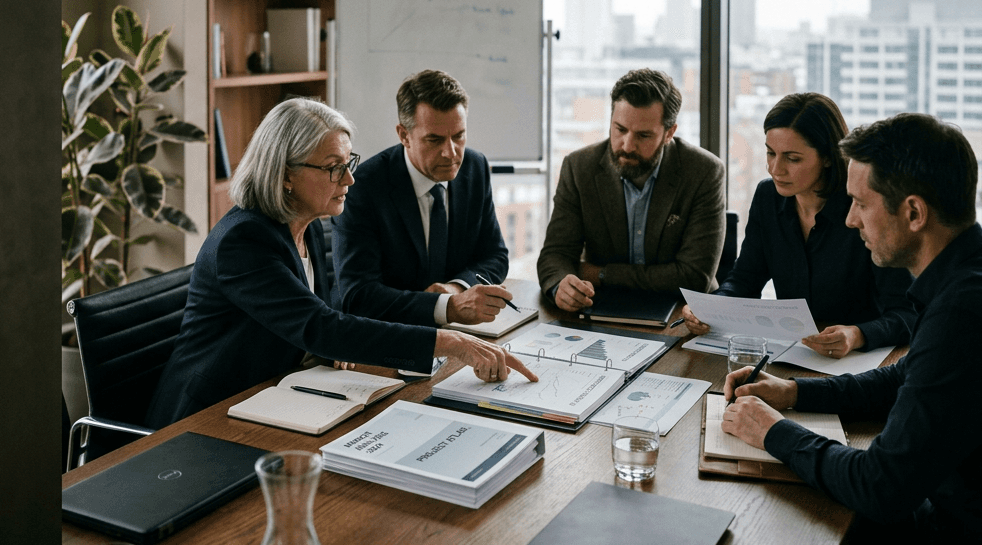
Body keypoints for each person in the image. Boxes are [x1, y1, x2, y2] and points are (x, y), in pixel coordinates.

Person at [720, 113, 982, 545]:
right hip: (940, 520)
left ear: (913, 213)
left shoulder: (963, 311)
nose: (850, 220)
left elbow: (881, 485)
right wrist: (793, 392)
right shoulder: (961, 279)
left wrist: (774, 432)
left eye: (862, 204)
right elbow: (903, 375)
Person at [145, 98, 534, 428]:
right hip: (206, 415)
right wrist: (447, 341)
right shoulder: (243, 241)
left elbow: (319, 317)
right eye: (334, 167)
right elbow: (320, 326)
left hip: (277, 394)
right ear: (285, 176)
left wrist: (339, 349)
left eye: (349, 163)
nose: (349, 179)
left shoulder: (308, 223)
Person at [677, 93, 914, 357]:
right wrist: (711, 309)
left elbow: (907, 313)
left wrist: (857, 334)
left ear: (826, 156)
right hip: (793, 354)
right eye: (770, 153)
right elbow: (745, 279)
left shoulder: (863, 207)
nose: (775, 169)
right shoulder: (768, 197)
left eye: (792, 158)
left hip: (859, 362)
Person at [332, 69, 513, 327]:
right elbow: (358, 295)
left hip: (457, 332)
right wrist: (445, 307)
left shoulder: (475, 167)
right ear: (404, 135)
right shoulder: (362, 186)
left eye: (459, 135)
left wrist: (456, 288)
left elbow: (495, 255)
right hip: (384, 334)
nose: (450, 153)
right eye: (434, 139)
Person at [536, 68, 725, 312]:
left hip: (685, 314)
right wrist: (560, 286)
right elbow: (556, 254)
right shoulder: (579, 167)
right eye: (620, 129)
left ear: (669, 133)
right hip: (601, 307)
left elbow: (693, 277)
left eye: (643, 135)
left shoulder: (704, 171)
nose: (627, 145)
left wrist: (602, 274)